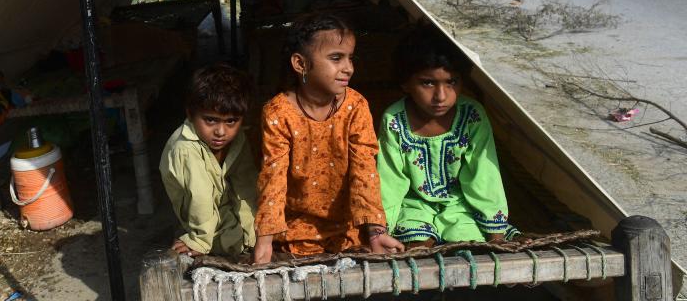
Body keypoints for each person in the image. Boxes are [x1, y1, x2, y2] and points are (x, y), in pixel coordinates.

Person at [253, 14, 404, 263]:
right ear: (300, 64)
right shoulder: (278, 112)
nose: (349, 68)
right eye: (336, 58)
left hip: (348, 231)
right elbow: (273, 176)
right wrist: (264, 242)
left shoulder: (355, 106)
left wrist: (376, 232)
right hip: (292, 234)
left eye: (350, 58)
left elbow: (364, 171)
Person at [376, 28, 520, 247]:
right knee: (417, 249)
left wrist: (496, 235)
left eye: (451, 82)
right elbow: (389, 180)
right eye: (428, 83)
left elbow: (484, 174)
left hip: (461, 205)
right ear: (405, 83)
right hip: (413, 205)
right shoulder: (394, 119)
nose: (441, 96)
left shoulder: (471, 115)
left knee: (469, 249)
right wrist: (379, 230)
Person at [160, 63, 258, 257]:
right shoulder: (186, 149)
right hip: (202, 220)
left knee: (268, 232)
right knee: (236, 246)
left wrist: (254, 227)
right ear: (190, 113)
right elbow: (200, 200)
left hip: (226, 206)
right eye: (211, 120)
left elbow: (245, 185)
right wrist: (199, 241)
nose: (221, 132)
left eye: (231, 121)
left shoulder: (237, 139)